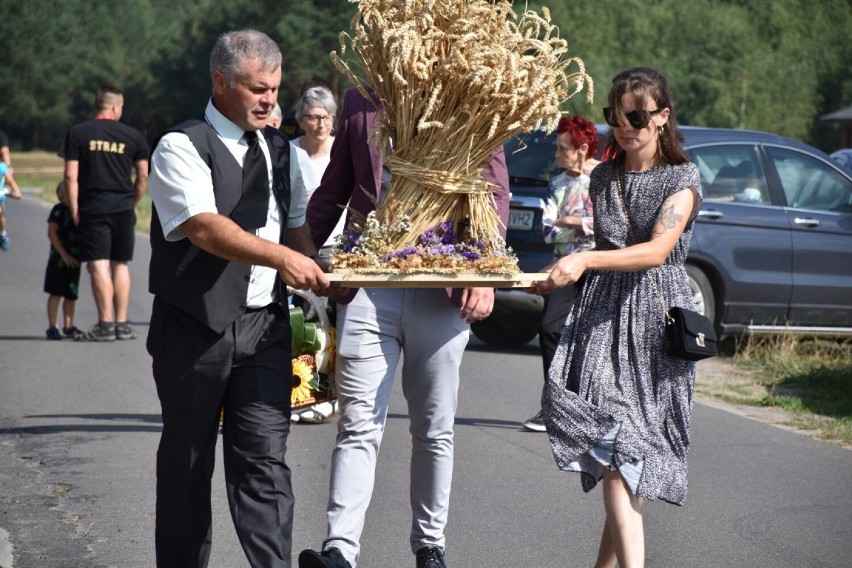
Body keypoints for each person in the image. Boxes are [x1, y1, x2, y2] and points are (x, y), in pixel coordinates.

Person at [298, 87, 510, 568]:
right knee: (356, 424)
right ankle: (340, 551)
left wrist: (487, 276)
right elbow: (336, 188)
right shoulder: (360, 101)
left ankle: (430, 547)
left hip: (443, 285)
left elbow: (494, 192)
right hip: (372, 284)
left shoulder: (476, 95)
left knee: (434, 428)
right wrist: (298, 252)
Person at [146, 29, 329, 568]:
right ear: (220, 82)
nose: (269, 100)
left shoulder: (282, 152)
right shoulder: (181, 145)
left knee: (265, 463)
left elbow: (295, 232)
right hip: (194, 329)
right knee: (188, 463)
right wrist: (283, 259)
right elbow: (204, 228)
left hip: (266, 329)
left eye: (274, 88)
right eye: (257, 89)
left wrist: (322, 267)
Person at [532, 67, 702, 568]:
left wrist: (585, 260)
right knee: (615, 451)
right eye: (616, 115)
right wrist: (563, 270)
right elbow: (599, 246)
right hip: (602, 323)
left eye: (636, 114)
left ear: (662, 117)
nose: (625, 124)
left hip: (656, 330)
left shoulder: (682, 179)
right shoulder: (604, 176)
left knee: (630, 466)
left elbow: (655, 252)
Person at [523, 116, 599, 432]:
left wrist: (572, 222)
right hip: (564, 268)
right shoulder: (557, 184)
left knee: (592, 340)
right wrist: (581, 225)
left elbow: (614, 226)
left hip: (599, 267)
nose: (556, 154)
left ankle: (587, 411)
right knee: (552, 328)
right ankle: (555, 407)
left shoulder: (604, 181)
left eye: (562, 148)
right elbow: (545, 229)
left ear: (582, 149)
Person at [60, 85, 149, 341]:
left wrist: (75, 209)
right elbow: (143, 176)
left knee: (98, 264)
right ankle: (122, 324)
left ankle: (105, 325)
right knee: (120, 264)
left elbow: (70, 176)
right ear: (114, 106)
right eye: (121, 107)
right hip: (122, 208)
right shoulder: (133, 136)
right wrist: (132, 203)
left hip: (93, 208)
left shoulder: (78, 133)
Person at [289, 86, 340, 424]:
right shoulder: (290, 153)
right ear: (301, 121)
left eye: (326, 117)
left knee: (337, 328)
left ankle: (331, 394)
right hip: (300, 249)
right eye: (312, 117)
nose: (320, 123)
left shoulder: (345, 152)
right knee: (306, 325)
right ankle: (307, 393)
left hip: (340, 247)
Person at [44, 182, 82, 339]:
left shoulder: (80, 210)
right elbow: (52, 233)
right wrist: (64, 255)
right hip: (58, 260)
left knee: (71, 294)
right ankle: (53, 326)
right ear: (60, 194)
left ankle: (68, 325)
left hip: (76, 259)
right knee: (55, 293)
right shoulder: (58, 210)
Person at [0, 156, 21, 251]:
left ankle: (3, 234)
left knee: (0, 212)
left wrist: (16, 190)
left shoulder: (2, 167)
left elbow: (10, 180)